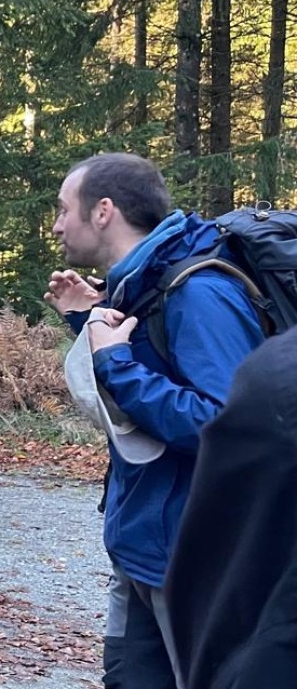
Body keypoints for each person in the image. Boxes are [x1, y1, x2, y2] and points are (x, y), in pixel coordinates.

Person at [43, 152, 264, 689]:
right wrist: (85, 319)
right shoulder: (143, 283)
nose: (55, 225)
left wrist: (115, 361)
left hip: (191, 556)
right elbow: (149, 381)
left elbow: (227, 425)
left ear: (103, 212)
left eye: (62, 209)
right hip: (142, 542)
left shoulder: (199, 292)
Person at [166, 328, 297, 689]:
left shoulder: (201, 289)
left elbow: (208, 413)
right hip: (139, 531)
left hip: (167, 541)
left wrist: (114, 363)